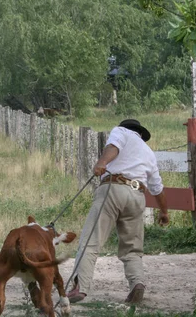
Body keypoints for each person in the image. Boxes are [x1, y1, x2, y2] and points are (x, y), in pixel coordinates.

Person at [67, 119, 169, 305]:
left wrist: (102, 162)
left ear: (125, 127)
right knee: (132, 248)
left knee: (91, 240)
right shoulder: (148, 153)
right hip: (137, 196)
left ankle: (80, 287)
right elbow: (157, 188)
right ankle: (137, 284)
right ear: (140, 133)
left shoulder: (121, 131)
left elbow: (113, 147)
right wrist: (164, 212)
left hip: (113, 188)